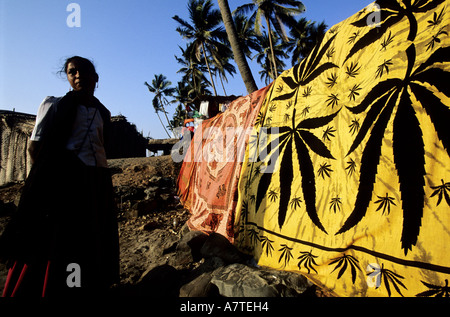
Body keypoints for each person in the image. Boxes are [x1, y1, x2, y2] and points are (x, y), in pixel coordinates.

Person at [0, 56, 119, 297]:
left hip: (96, 181)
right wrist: (50, 179)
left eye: (83, 71)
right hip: (65, 183)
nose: (77, 76)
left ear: (95, 77)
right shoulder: (53, 105)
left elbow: (101, 145)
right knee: (60, 238)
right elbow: (35, 148)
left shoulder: (102, 112)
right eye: (71, 72)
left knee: (91, 235)